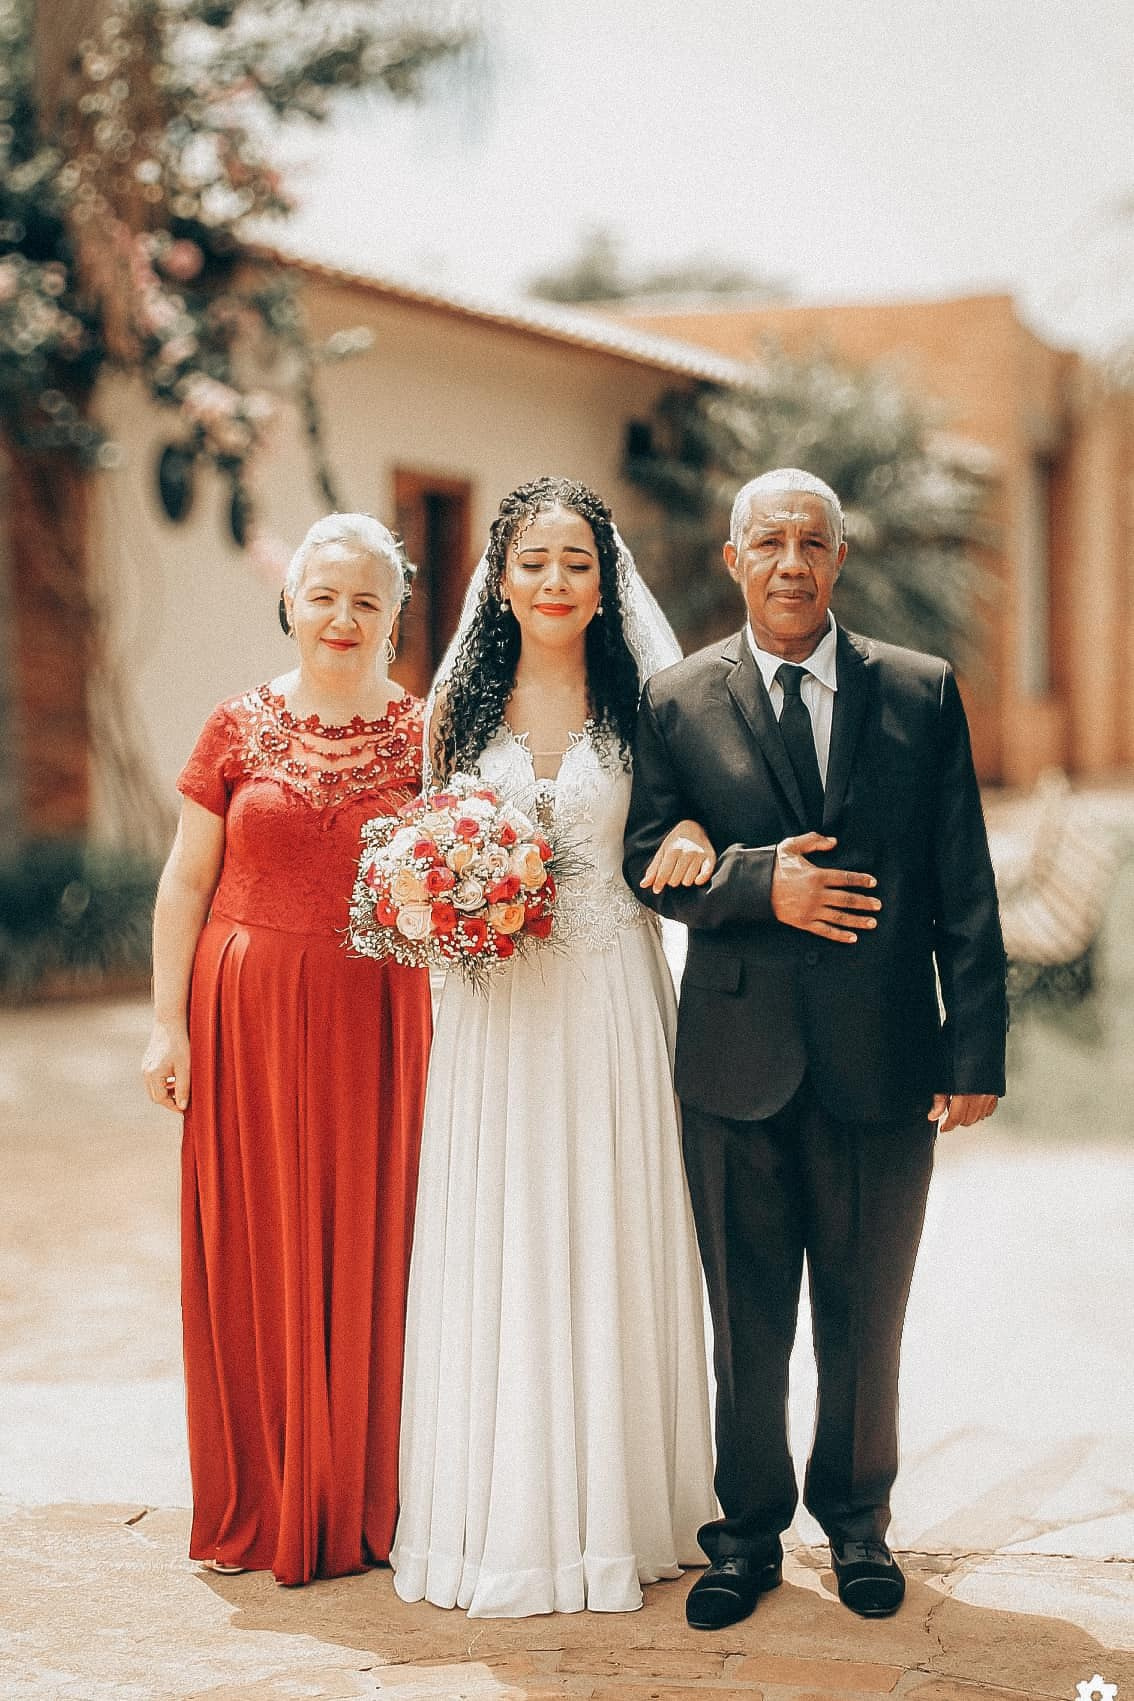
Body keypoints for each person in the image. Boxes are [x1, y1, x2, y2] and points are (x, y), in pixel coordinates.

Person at [624, 468, 1007, 1630]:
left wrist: (974, 1049)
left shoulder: (923, 692)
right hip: (735, 1067)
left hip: (884, 1060)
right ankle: (745, 1538)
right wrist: (757, 882)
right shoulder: (678, 699)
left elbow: (964, 883)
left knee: (864, 1313)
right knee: (746, 1323)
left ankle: (856, 1527)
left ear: (840, 561)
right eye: (769, 542)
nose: (791, 562)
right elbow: (649, 857)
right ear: (735, 558)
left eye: (812, 542)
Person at [390, 476, 718, 1618]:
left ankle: (621, 1511)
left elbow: (689, 823)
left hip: (609, 1000)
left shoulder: (651, 705)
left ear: (605, 576)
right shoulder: (457, 715)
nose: (555, 582)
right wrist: (449, 899)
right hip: (494, 1013)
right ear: (500, 574)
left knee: (606, 1223)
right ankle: (503, 1516)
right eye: (534, 561)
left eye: (576, 562)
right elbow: (420, 848)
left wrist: (680, 832)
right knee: (503, 1235)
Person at [141, 514, 432, 1585]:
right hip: (243, 1020)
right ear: (290, 603)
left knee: (371, 1241)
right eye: (324, 596)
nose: (343, 618)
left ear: (395, 615)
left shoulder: (427, 735)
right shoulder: (235, 724)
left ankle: (363, 1496)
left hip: (377, 1018)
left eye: (367, 599)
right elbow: (185, 878)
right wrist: (166, 1021)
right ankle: (257, 1497)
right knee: (253, 1243)